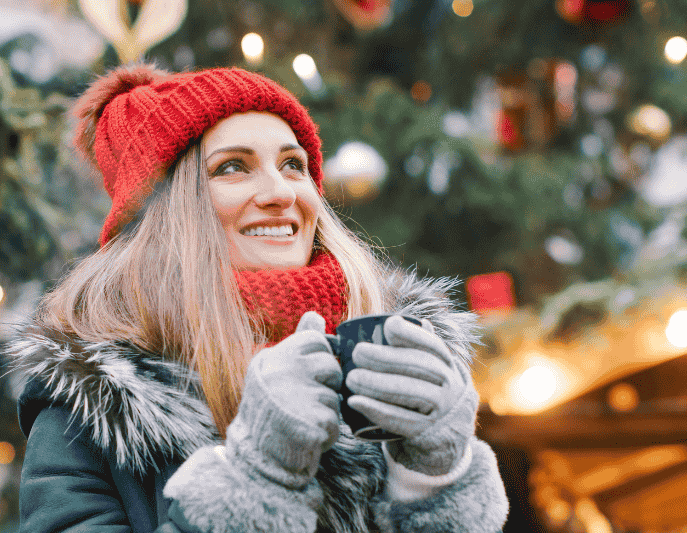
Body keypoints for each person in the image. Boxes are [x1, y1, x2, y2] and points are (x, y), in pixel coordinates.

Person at [7, 63, 509, 533]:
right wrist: (257, 480)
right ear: (165, 212)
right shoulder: (90, 405)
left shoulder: (387, 347)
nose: (281, 192)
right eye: (232, 167)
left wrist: (435, 480)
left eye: (293, 164)